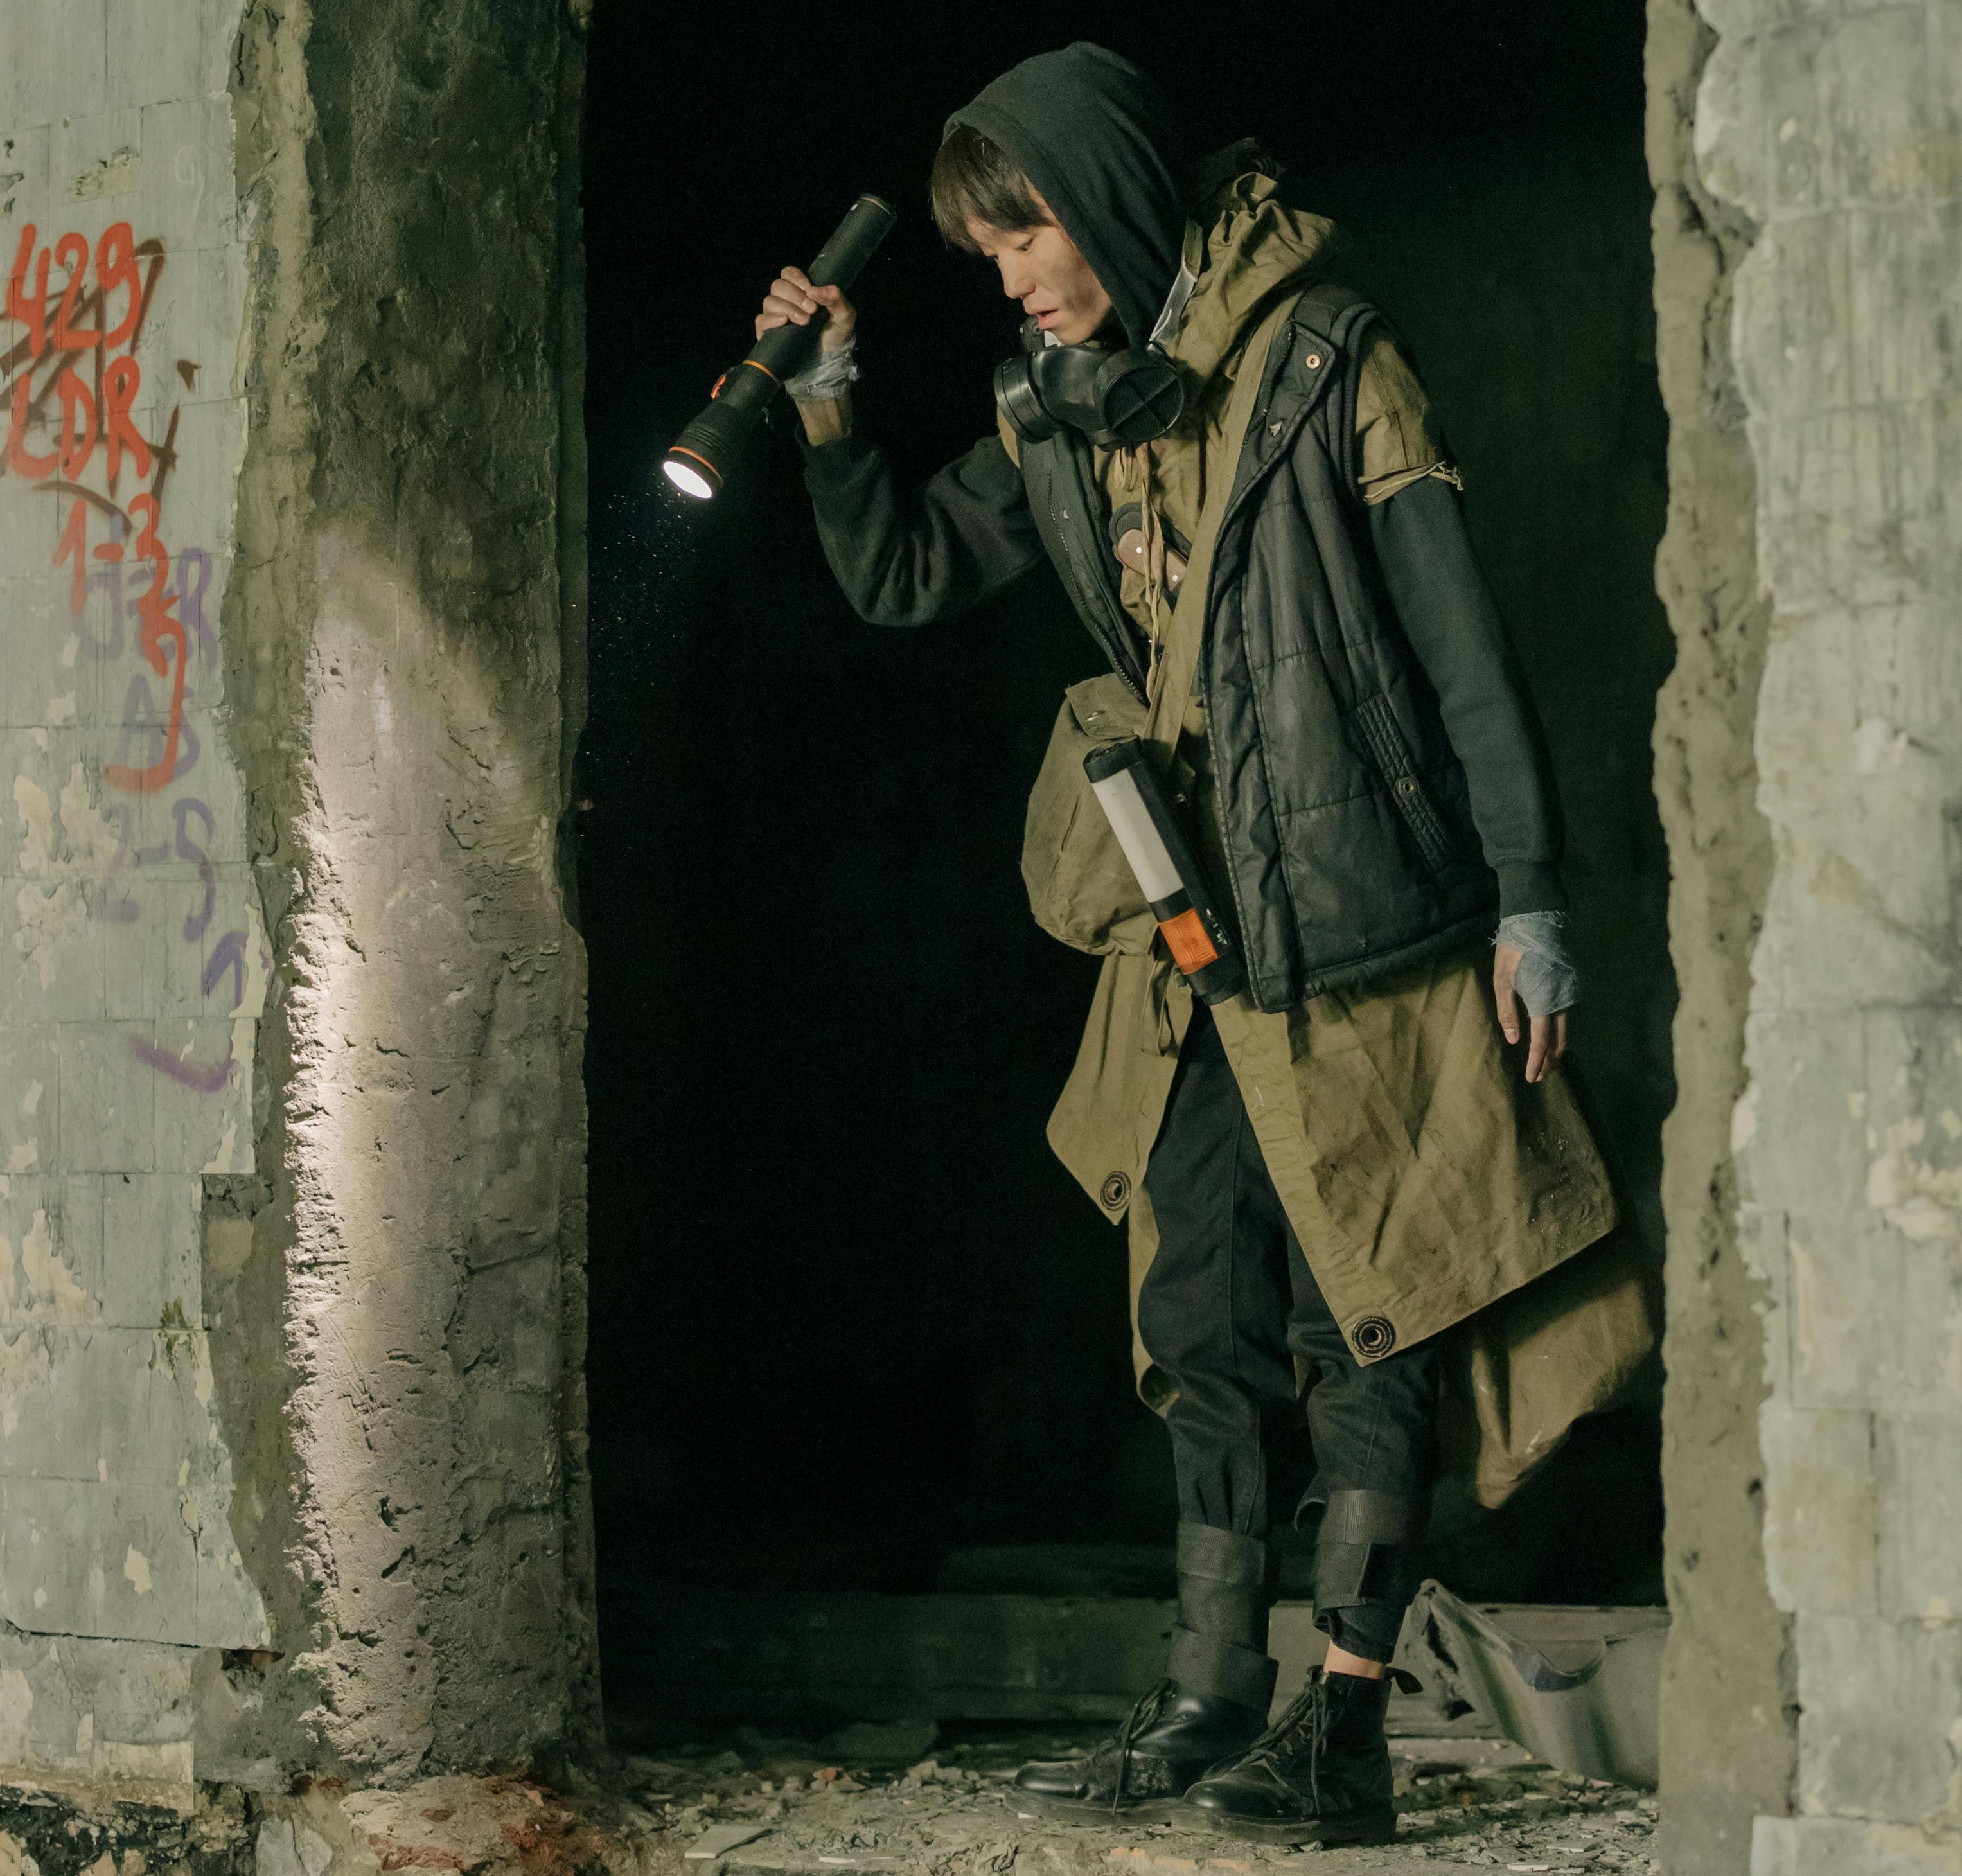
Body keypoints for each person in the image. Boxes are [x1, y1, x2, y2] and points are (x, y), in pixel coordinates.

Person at [755, 44, 1652, 1847]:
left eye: (1021, 236)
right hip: (1182, 950)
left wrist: (1531, 898)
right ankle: (1203, 1698)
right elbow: (911, 573)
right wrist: (831, 404)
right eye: (988, 249)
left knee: (1362, 1312)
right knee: (1198, 1319)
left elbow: (1463, 656)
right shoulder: (1055, 403)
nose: (1006, 275)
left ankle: (1342, 1730)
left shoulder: (1332, 361)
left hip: (1363, 933)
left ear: (1106, 201)